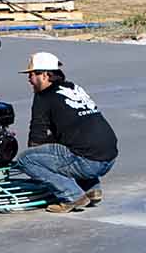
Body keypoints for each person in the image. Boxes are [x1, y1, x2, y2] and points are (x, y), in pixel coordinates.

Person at [13, 47, 119, 210]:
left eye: (32, 74)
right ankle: (92, 190)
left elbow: (37, 137)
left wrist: (36, 165)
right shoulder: (73, 87)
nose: (29, 79)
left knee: (26, 160)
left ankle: (72, 197)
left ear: (45, 75)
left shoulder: (44, 96)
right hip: (108, 157)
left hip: (88, 162)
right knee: (72, 146)